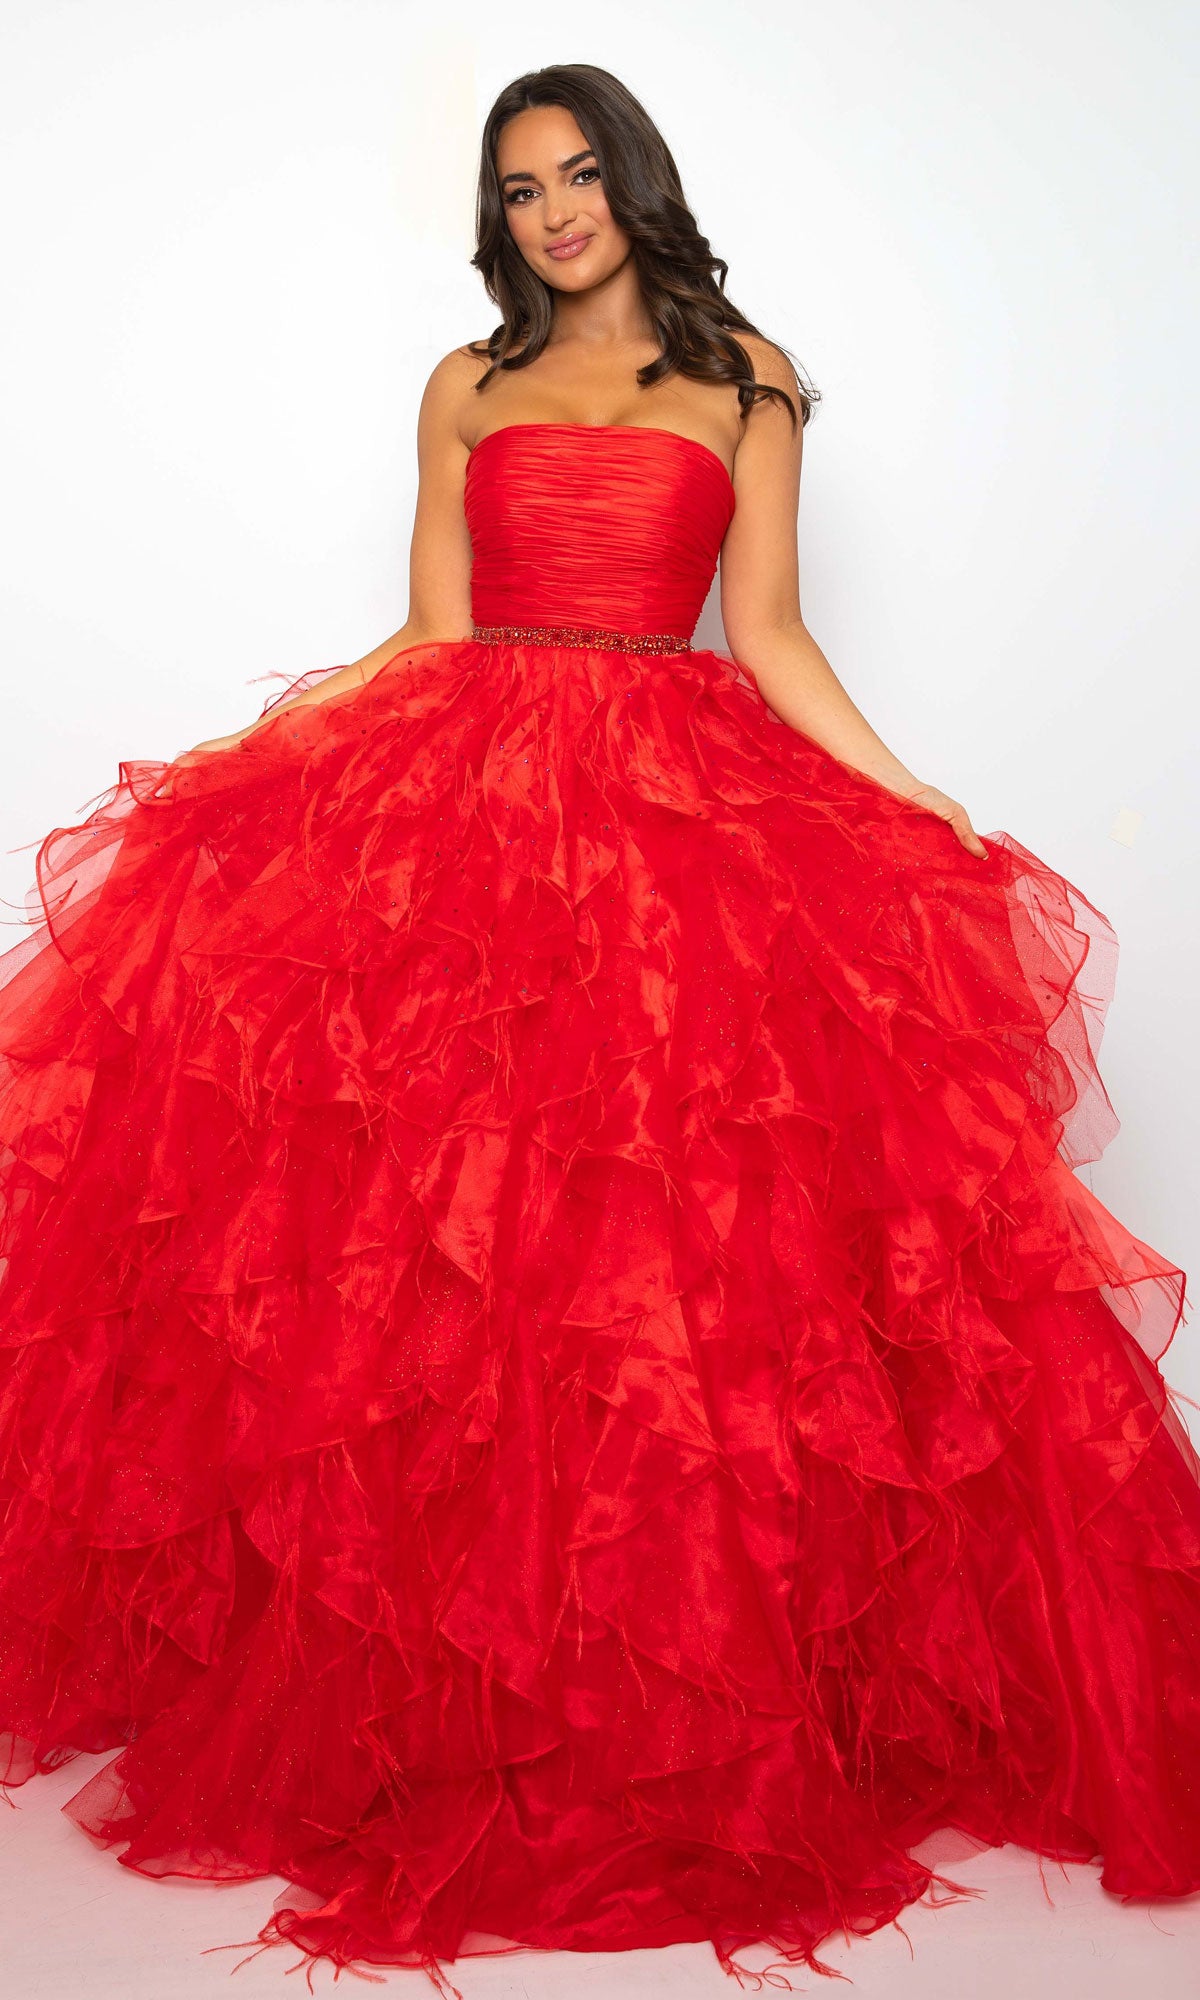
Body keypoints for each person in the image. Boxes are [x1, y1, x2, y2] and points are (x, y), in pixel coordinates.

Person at [1, 60, 1197, 2000]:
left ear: (634, 182)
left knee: (670, 1271)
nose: (553, 210)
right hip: (468, 824)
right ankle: (462, 1710)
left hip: (675, 824)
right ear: (500, 221)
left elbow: (777, 632)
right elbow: (436, 633)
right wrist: (259, 747)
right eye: (519, 188)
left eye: (576, 174)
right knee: (458, 1279)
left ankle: (671, 1693)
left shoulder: (749, 377)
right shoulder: (462, 387)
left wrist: (920, 802)